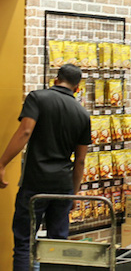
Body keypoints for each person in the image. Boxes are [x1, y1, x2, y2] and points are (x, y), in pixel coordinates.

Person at [0, 64, 91, 271]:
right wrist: (74, 194)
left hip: (35, 183)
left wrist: (2, 162)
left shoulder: (37, 98)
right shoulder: (82, 114)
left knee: (24, 243)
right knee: (57, 245)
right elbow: (80, 160)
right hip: (63, 186)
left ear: (56, 80)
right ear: (77, 88)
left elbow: (25, 132)